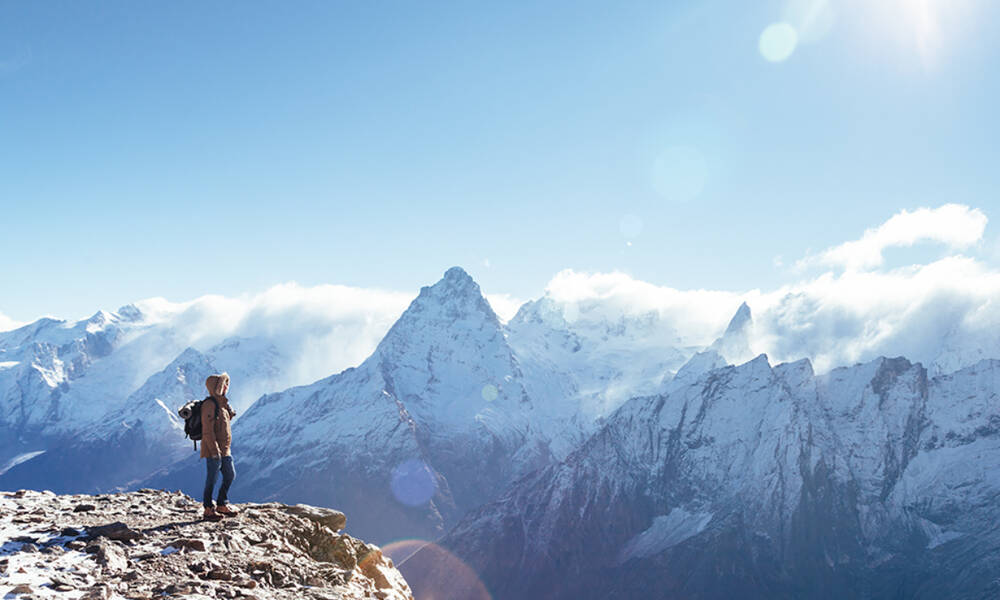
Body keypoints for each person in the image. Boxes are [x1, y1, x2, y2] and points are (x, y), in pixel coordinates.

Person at [201, 372, 238, 520]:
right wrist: (214, 451)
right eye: (224, 384)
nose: (227, 387)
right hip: (213, 451)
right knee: (212, 479)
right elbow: (208, 431)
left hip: (225, 450)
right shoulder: (209, 405)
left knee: (230, 475)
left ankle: (222, 504)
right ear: (217, 387)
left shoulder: (222, 405)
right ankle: (208, 508)